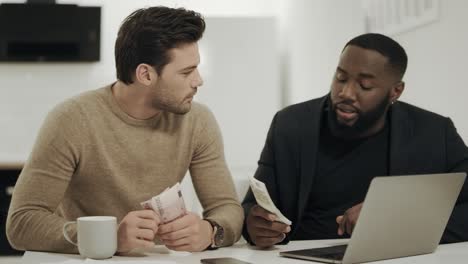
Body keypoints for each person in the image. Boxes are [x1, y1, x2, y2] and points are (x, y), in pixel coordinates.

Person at [7, 6, 244, 254]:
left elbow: (228, 208)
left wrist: (211, 231)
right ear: (145, 74)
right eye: (186, 72)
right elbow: (22, 223)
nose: (198, 80)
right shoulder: (71, 120)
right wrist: (107, 238)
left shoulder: (198, 120)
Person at [242, 33, 468, 248]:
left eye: (365, 86)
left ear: (395, 91)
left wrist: (395, 221)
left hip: (394, 256)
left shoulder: (434, 132)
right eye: (340, 78)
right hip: (301, 256)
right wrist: (254, 226)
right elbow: (252, 207)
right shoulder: (291, 125)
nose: (346, 92)